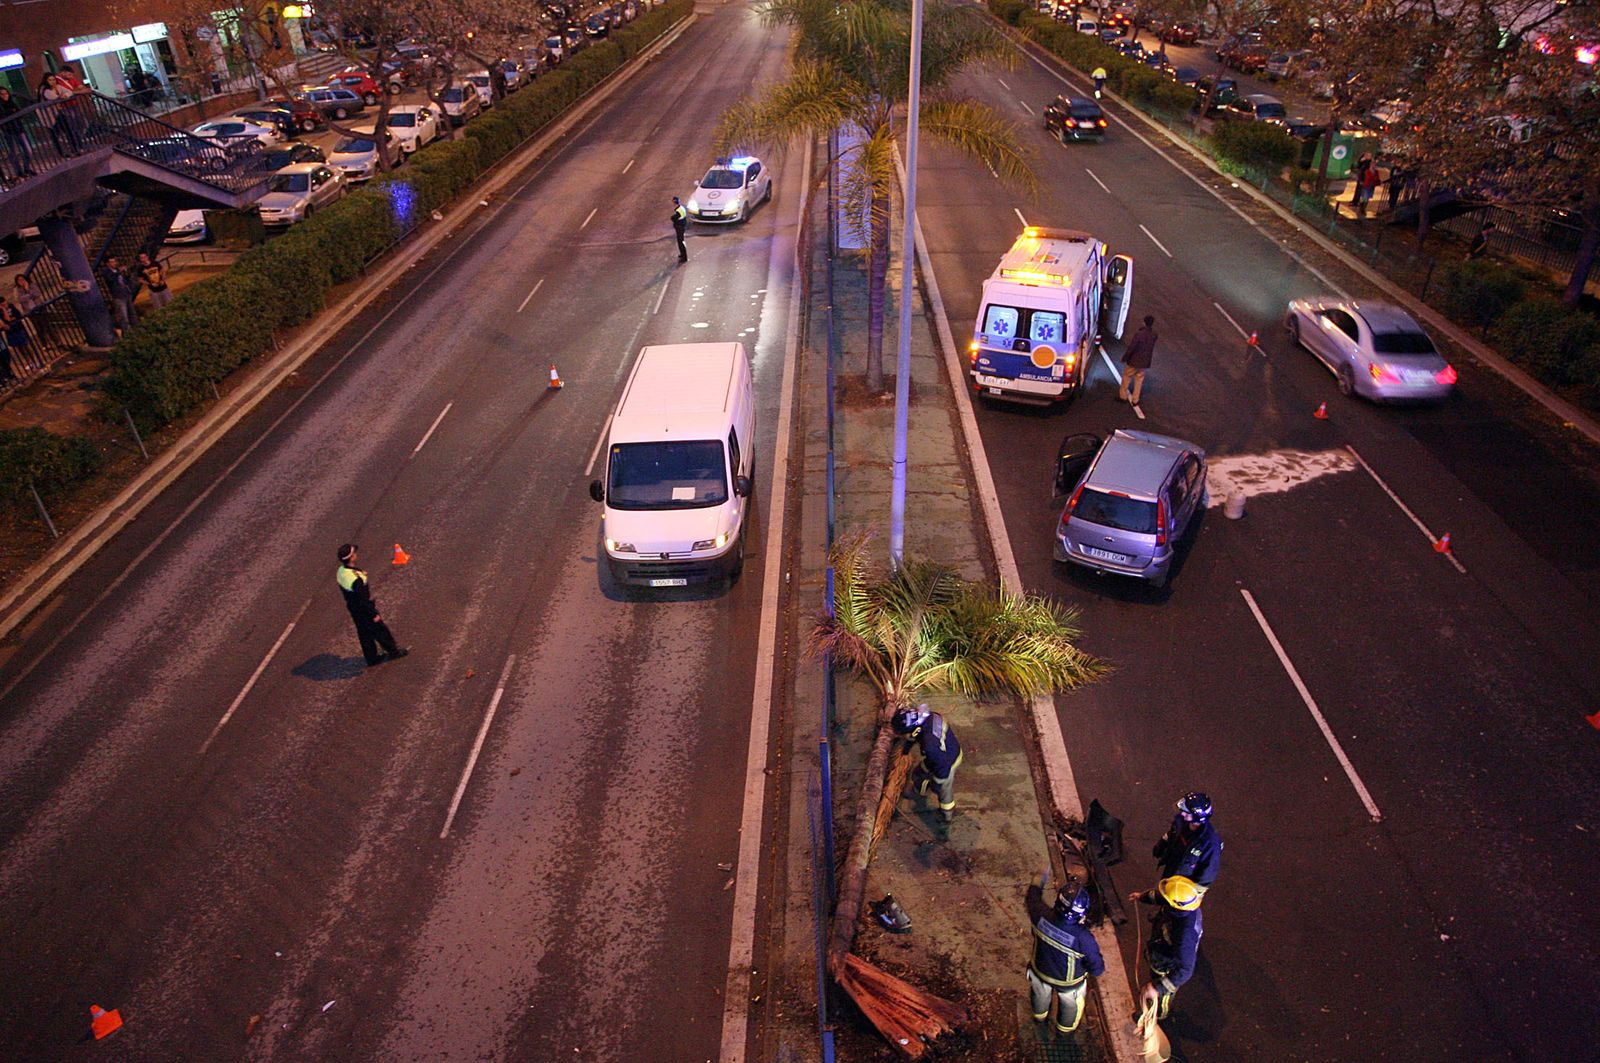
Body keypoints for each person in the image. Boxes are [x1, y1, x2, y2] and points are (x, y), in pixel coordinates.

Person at [1025, 881, 1104, 1035]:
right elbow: (1097, 968)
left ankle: (1039, 1019)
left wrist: (1037, 881)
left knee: (1039, 996)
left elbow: (1032, 898)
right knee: (1071, 1008)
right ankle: (1064, 1032)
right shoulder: (1083, 938)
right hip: (1069, 984)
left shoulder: (1040, 914)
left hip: (1040, 972)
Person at [1129, 875, 1203, 1020]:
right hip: (1161, 947)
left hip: (1165, 964)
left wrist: (1158, 988)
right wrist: (1141, 897)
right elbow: (1161, 897)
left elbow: (1185, 970)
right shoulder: (1184, 903)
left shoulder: (1185, 935)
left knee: (1163, 996)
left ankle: (1158, 1015)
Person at [336, 544, 408, 667]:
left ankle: (372, 658)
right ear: (351, 557)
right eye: (354, 553)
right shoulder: (356, 580)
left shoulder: (341, 571)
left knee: (364, 633)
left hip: (353, 608)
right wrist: (373, 614)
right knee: (380, 630)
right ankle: (393, 651)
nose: (356, 554)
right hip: (364, 609)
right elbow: (363, 599)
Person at [891, 704, 963, 822]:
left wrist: (939, 780)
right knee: (919, 773)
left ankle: (947, 814)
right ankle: (919, 792)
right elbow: (914, 735)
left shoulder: (930, 746)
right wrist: (906, 749)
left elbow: (942, 764)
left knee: (943, 790)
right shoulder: (926, 717)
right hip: (944, 751)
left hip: (948, 762)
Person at [1152, 791, 1222, 896]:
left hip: (1184, 884)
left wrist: (1192, 894)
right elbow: (1171, 834)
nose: (1182, 813)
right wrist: (1161, 845)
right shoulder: (1181, 821)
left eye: (1186, 812)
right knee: (1164, 891)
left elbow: (1208, 872)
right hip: (1173, 867)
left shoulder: (1211, 843)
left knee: (1174, 906)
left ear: (1198, 816)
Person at [0, 86, 36, 183]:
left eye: (6, 93)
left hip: (19, 129)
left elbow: (19, 113)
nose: (5, 96)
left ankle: (26, 168)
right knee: (13, 152)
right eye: (2, 94)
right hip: (8, 131)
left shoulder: (11, 103)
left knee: (28, 150)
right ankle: (19, 171)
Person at [1118, 314, 1156, 406]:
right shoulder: (1154, 335)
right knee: (1139, 380)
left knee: (1127, 377)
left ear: (1144, 322)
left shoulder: (1139, 334)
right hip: (1144, 362)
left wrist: (1125, 357)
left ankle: (1123, 396)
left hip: (1134, 361)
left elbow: (1132, 347)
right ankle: (1135, 399)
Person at [101, 256, 139, 337]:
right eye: (112, 262)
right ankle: (127, 333)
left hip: (126, 293)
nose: (114, 263)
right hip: (118, 296)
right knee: (123, 316)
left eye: (114, 261)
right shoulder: (106, 272)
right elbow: (110, 279)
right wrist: (118, 272)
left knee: (132, 313)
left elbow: (124, 280)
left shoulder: (117, 270)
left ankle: (137, 330)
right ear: (107, 264)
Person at [671, 196, 688, 264]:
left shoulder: (678, 211)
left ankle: (684, 257)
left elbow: (674, 218)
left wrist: (672, 217)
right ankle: (682, 254)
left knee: (681, 241)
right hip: (682, 225)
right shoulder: (681, 208)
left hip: (679, 226)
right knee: (681, 241)